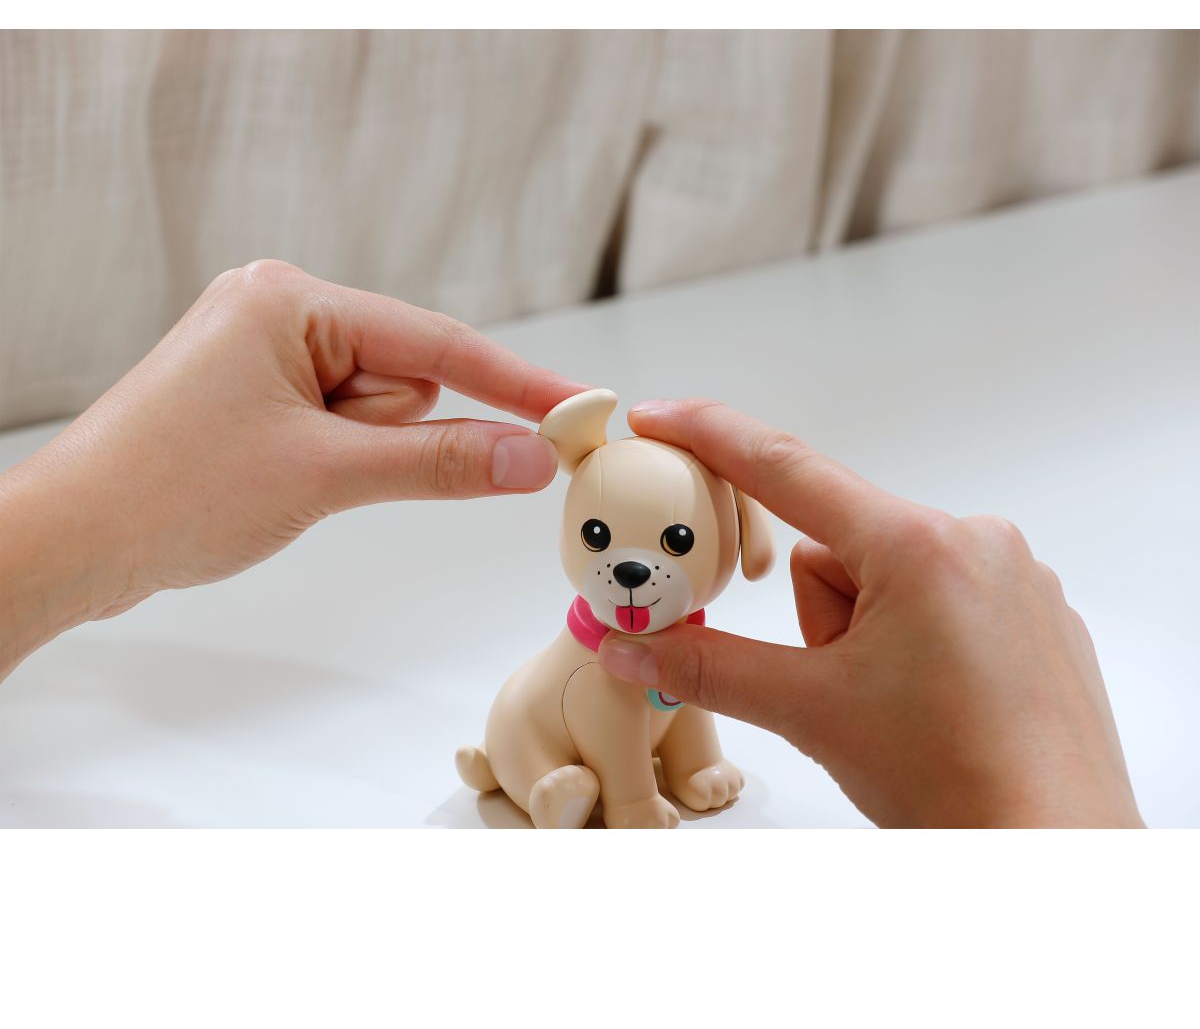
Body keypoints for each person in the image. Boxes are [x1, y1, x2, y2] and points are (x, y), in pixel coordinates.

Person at [0, 262, 1142, 828]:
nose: (630, 565)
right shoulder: (608, 648)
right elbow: (623, 708)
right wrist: (633, 806)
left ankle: (642, 778)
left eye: (670, 543)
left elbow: (677, 697)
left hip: (654, 687)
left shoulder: (678, 625)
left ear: (734, 536)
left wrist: (691, 755)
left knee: (667, 713)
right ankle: (532, 775)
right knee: (584, 726)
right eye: (601, 536)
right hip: (541, 726)